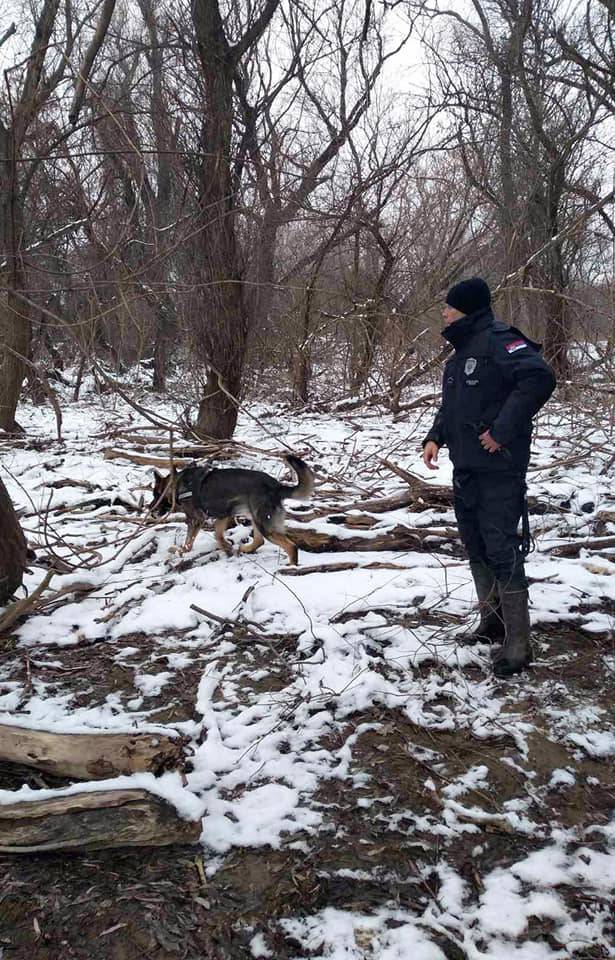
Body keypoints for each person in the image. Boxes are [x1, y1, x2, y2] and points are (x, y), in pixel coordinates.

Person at [422, 278, 556, 678]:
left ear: (465, 309)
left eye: (448, 307)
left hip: (500, 469)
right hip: (466, 467)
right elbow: (454, 406)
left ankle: (519, 643)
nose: (443, 313)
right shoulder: (460, 352)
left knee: (501, 548)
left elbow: (539, 379)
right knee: (475, 545)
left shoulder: (500, 340)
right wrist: (434, 436)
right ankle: (492, 623)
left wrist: (501, 431)